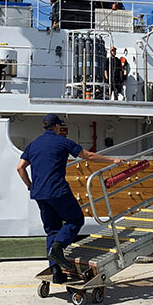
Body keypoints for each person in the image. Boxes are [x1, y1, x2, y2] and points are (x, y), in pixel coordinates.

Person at [17, 114, 124, 283]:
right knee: (75, 220)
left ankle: (56, 271)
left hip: (39, 193)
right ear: (57, 127)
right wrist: (113, 160)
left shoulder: (33, 145)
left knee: (52, 229)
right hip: (58, 191)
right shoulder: (62, 141)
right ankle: (58, 248)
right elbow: (88, 156)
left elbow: (20, 168)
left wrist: (30, 185)